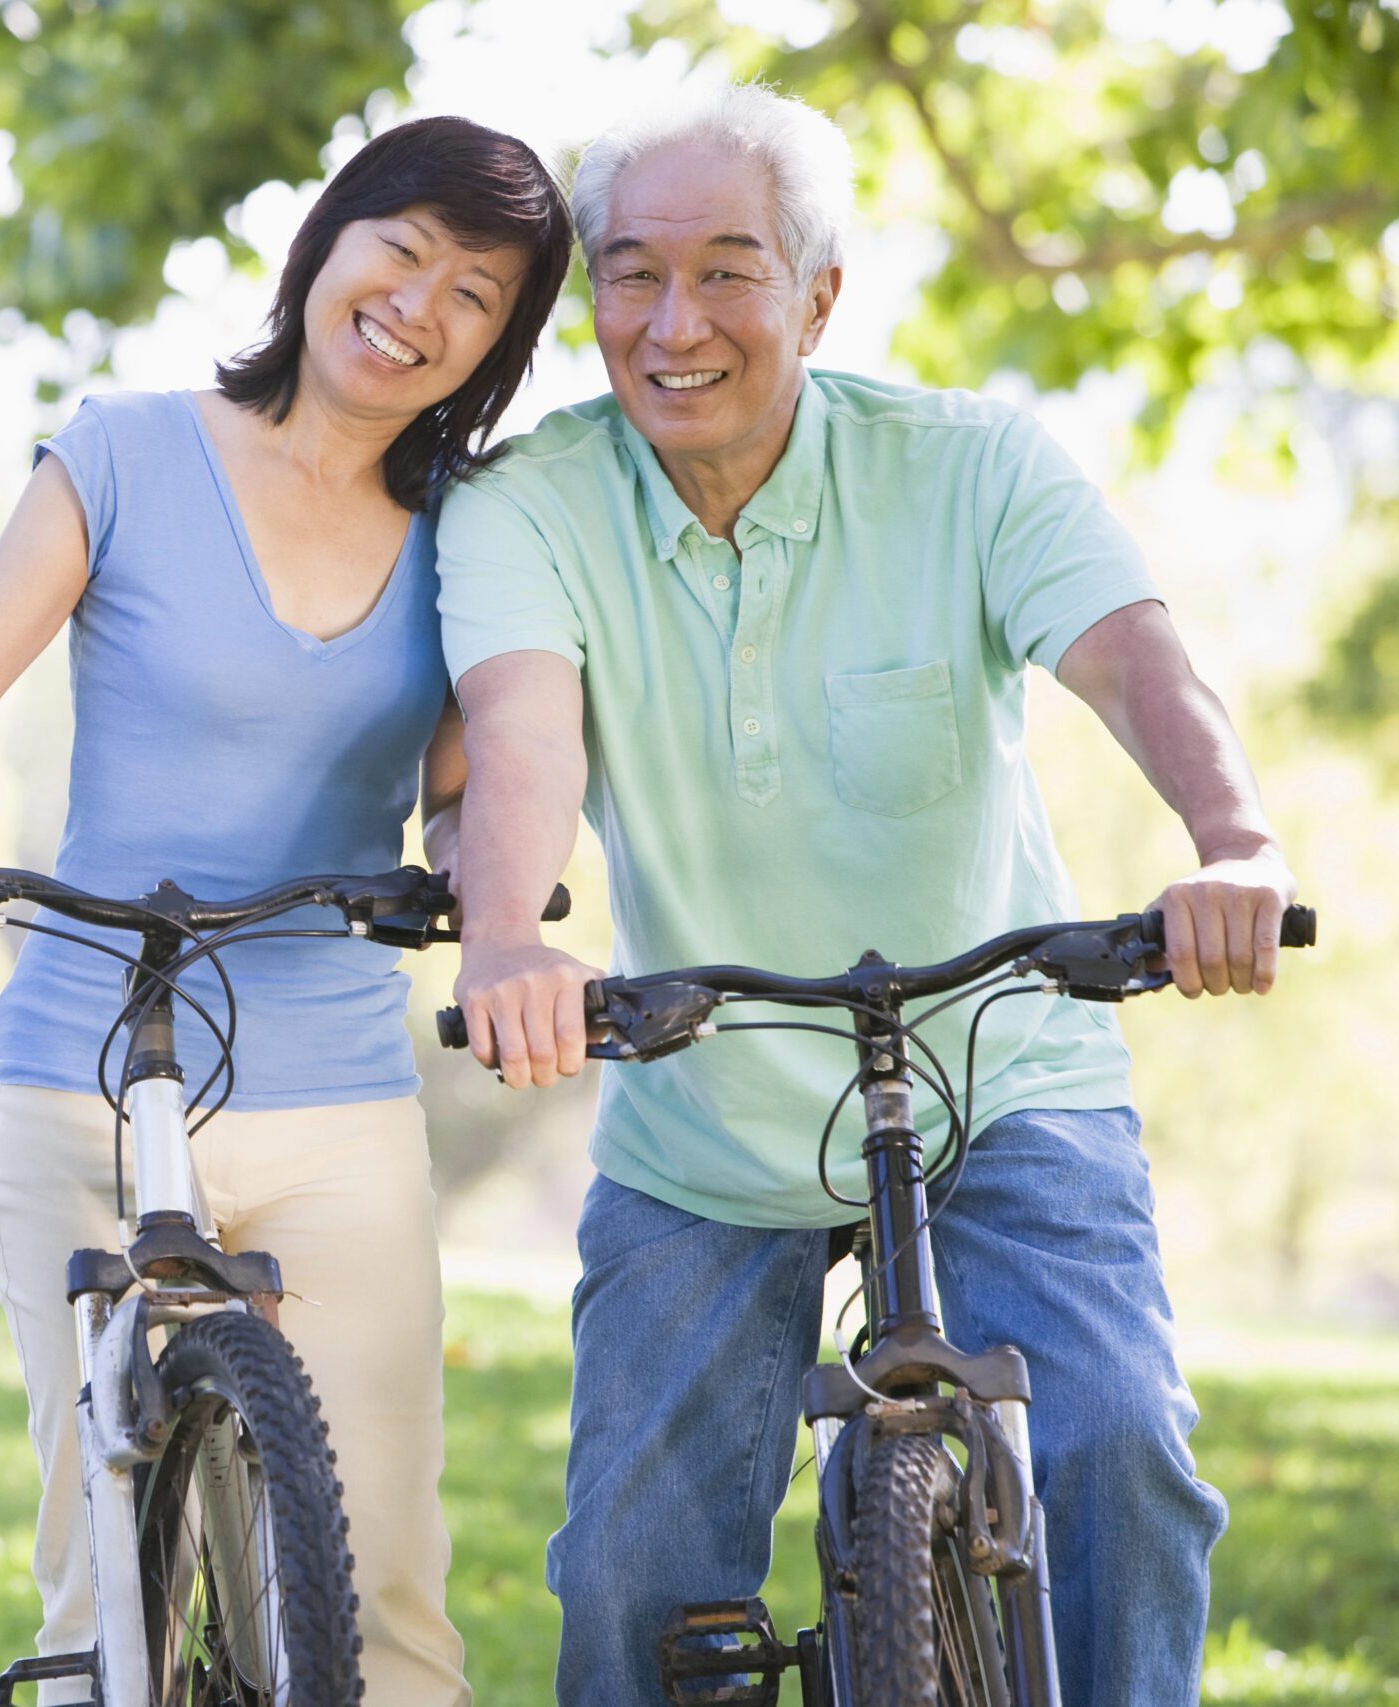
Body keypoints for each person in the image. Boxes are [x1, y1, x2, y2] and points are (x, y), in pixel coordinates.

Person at [435, 85, 1296, 1705]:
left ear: (820, 294)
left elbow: (1133, 657)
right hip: (703, 1109)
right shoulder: (528, 503)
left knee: (1121, 1460)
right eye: (630, 274)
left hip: (998, 1080)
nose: (671, 323)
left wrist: (1232, 841)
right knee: (629, 1567)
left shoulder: (967, 464)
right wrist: (502, 940)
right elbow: (522, 734)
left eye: (727, 271)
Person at [0, 116, 574, 1705]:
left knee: (388, 1593)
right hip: (86, 1071)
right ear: (329, 245)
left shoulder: (475, 529)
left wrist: (496, 899)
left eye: (476, 295)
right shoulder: (128, 453)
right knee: (98, 1576)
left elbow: (472, 777)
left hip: (332, 1091)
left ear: (497, 346)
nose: (421, 304)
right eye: (402, 250)